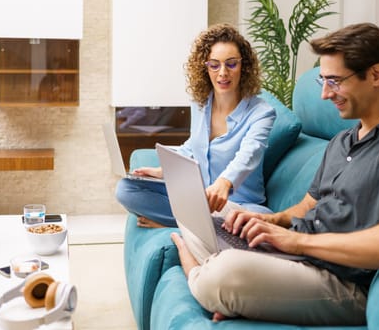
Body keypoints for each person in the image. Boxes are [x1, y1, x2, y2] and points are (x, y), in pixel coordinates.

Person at [170, 23, 379, 325]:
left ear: (376, 75)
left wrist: (294, 243)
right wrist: (269, 221)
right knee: (211, 213)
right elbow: (307, 206)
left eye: (334, 81)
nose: (324, 94)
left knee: (224, 273)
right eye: (322, 80)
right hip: (301, 256)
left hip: (344, 281)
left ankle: (196, 269)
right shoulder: (344, 140)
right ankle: (224, 285)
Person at [115, 23, 276, 228]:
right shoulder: (200, 104)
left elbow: (250, 153)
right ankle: (202, 226)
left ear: (243, 66)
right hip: (198, 198)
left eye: (231, 64)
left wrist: (224, 182)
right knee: (126, 189)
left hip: (240, 205)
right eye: (214, 64)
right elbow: (194, 146)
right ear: (205, 67)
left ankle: (182, 224)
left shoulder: (262, 113)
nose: (223, 73)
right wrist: (163, 171)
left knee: (256, 219)